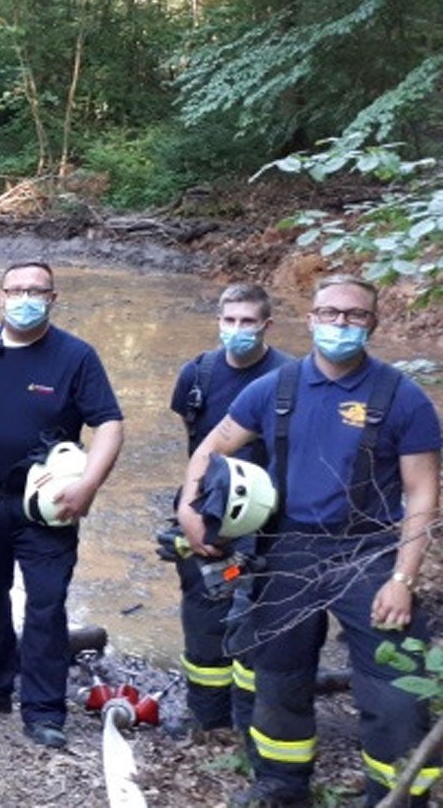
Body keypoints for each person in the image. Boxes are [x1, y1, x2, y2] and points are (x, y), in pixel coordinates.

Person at [177, 275, 440, 808]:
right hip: (288, 549)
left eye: (354, 315)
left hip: (369, 553)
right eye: (329, 313)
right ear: (311, 318)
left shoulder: (401, 397)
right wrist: (188, 507)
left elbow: (422, 496)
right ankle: (280, 784)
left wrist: (403, 579)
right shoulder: (276, 387)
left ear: (374, 323)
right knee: (278, 675)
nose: (340, 324)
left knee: (393, 688)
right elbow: (213, 446)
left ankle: (396, 795)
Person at [0, 260, 124, 750]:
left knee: (45, 606)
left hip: (47, 509)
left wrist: (90, 485)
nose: (25, 298)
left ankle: (42, 710)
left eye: (36, 290)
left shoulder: (75, 357)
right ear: (0, 295)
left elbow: (110, 426)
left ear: (53, 298)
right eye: (16, 290)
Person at [167, 283, 292, 737]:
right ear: (218, 321)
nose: (237, 330)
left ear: (266, 326)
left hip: (266, 523)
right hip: (204, 517)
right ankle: (206, 717)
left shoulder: (287, 378)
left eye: (247, 322)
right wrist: (189, 509)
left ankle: (251, 725)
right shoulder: (196, 374)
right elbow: (197, 439)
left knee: (252, 616)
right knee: (203, 613)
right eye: (229, 321)